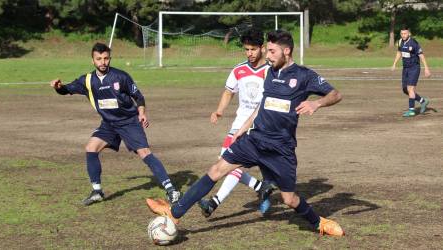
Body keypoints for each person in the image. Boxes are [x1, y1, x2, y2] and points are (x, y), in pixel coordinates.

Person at [146, 30, 344, 236]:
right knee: (216, 169)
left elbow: (336, 94)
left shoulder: (304, 76)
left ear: (287, 51)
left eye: (273, 51)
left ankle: (318, 222)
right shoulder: (270, 72)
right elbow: (262, 105)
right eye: (267, 51)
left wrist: (316, 103)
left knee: (289, 199)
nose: (268, 56)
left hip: (280, 148)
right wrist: (242, 129)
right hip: (255, 139)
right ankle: (175, 212)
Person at [50, 42, 181, 206]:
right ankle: (97, 191)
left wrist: (141, 113)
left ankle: (172, 190)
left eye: (105, 58)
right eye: (99, 59)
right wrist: (58, 87)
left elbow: (138, 97)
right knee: (91, 147)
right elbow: (66, 89)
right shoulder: (88, 80)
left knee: (144, 152)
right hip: (109, 123)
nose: (102, 62)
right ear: (93, 60)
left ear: (109, 58)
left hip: (128, 121)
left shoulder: (121, 76)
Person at [199, 29, 275, 218]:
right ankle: (260, 187)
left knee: (231, 164)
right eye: (246, 49)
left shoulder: (270, 71)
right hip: (239, 125)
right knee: (226, 162)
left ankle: (214, 203)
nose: (249, 53)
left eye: (253, 49)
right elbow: (228, 92)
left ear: (263, 49)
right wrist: (219, 110)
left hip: (261, 126)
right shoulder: (239, 70)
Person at [392, 26, 431, 117]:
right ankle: (422, 101)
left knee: (410, 89)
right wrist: (394, 63)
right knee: (405, 89)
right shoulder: (400, 42)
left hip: (414, 68)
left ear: (409, 33)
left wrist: (426, 68)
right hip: (405, 68)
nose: (403, 35)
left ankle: (411, 110)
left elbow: (421, 55)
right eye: (402, 33)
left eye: (405, 33)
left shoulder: (413, 43)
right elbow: (399, 52)